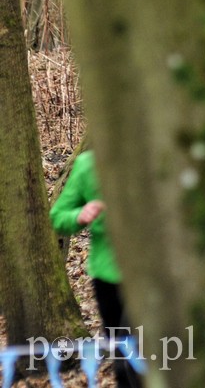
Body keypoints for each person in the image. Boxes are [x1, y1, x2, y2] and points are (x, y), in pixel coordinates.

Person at [50, 150, 142, 388]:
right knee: (123, 354)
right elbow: (57, 217)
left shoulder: (159, 150)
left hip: (158, 274)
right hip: (109, 276)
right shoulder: (87, 164)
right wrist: (79, 215)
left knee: (164, 351)